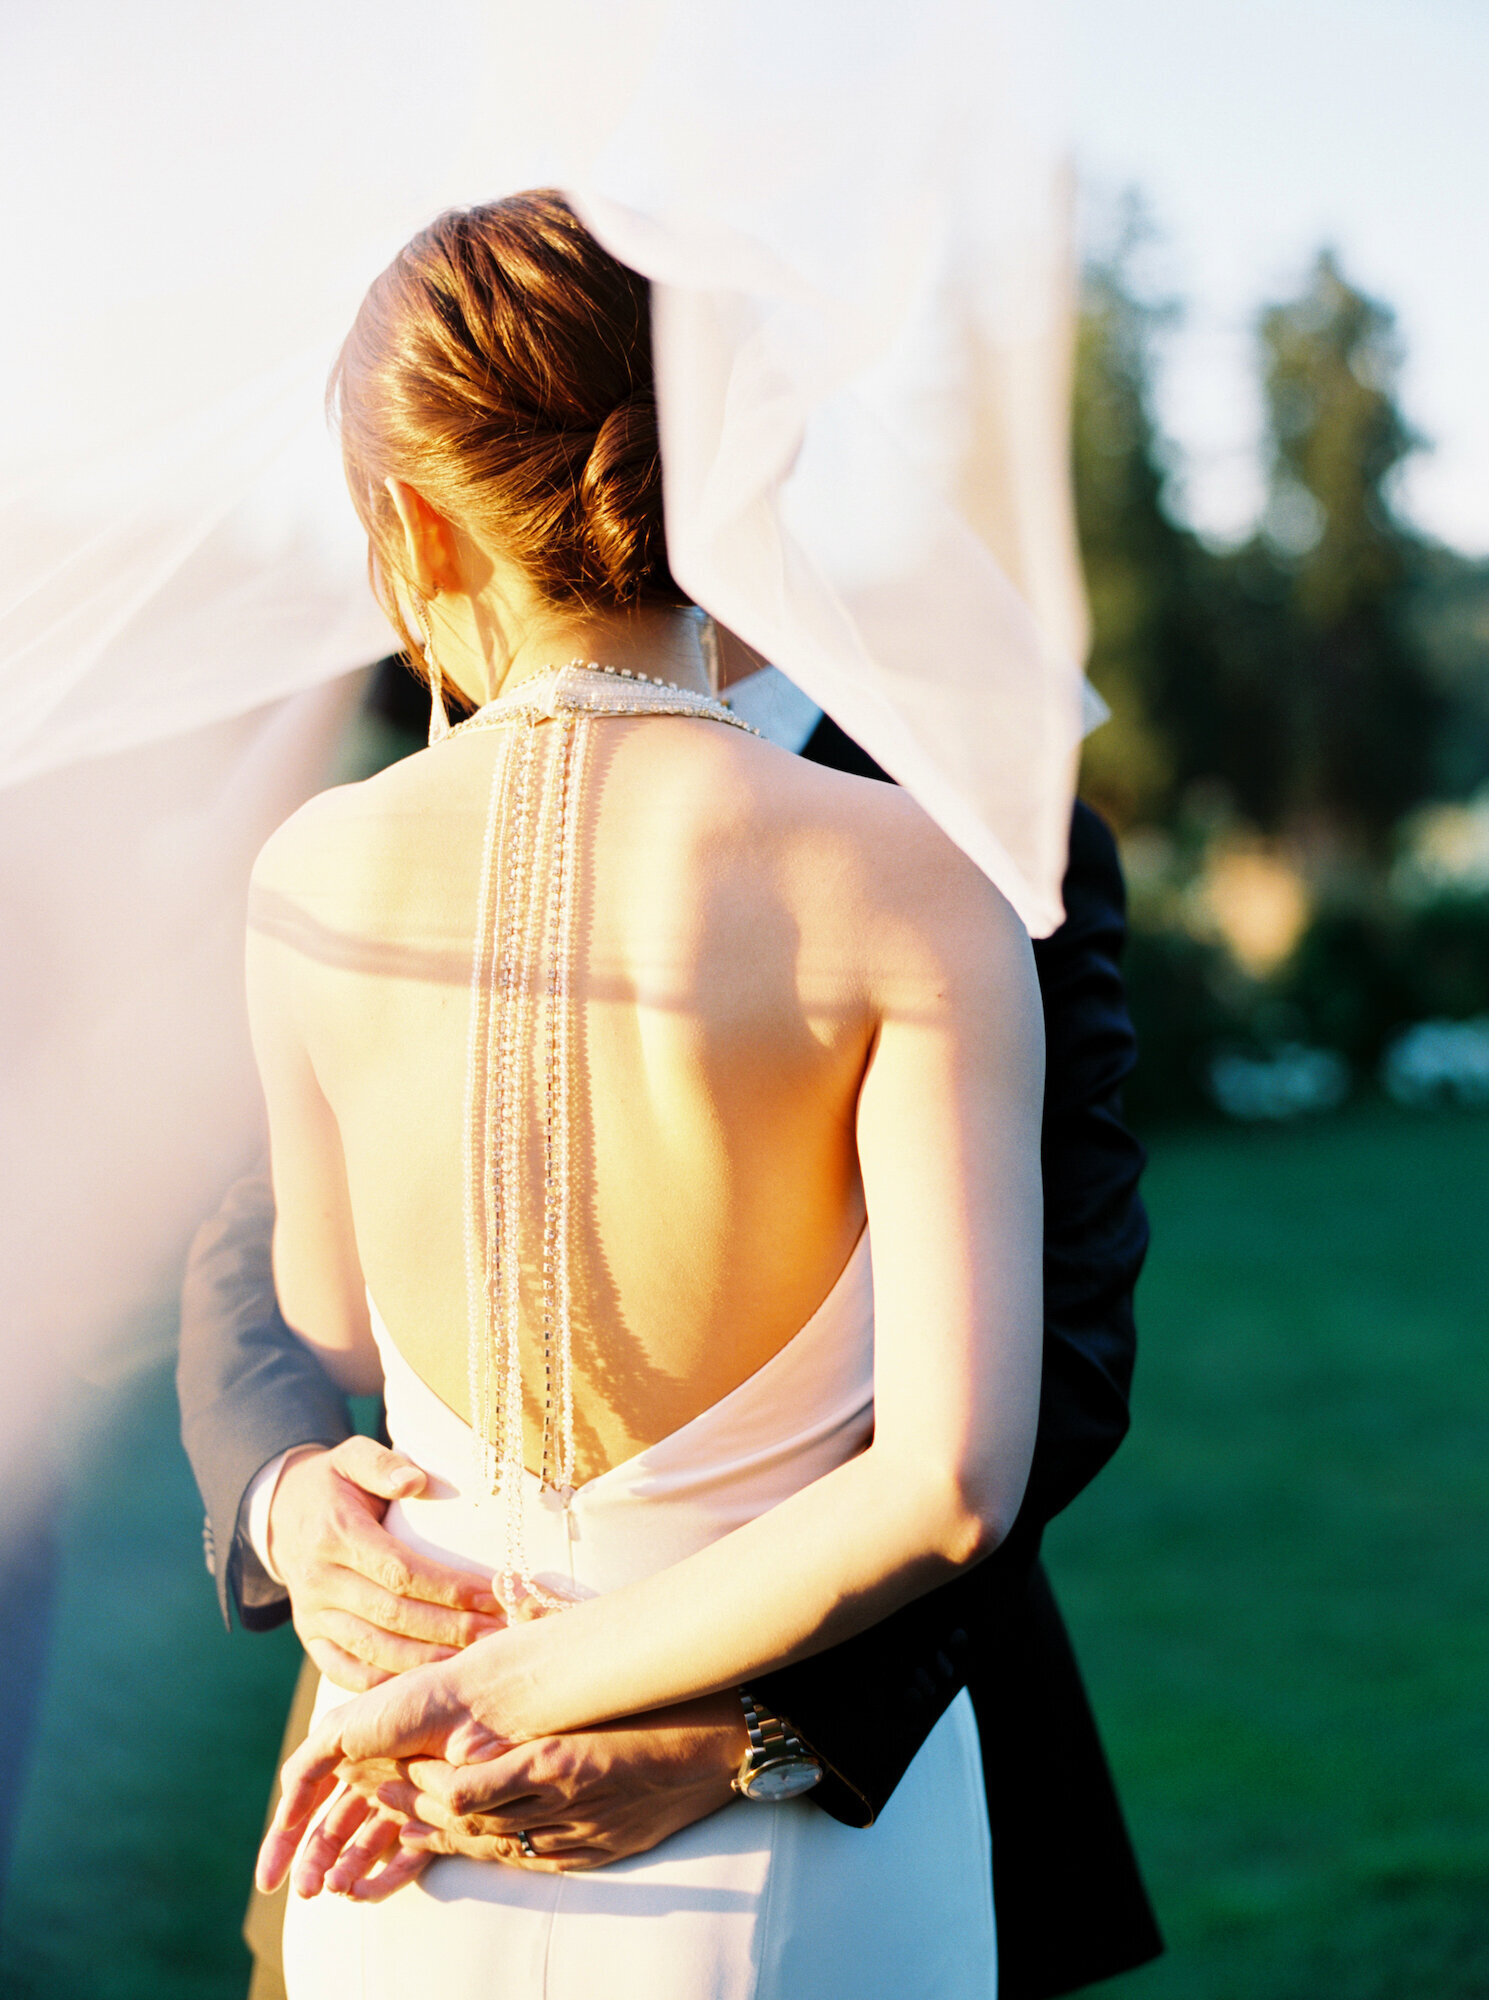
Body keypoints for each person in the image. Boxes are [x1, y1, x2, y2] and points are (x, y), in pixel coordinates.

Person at [187, 190, 1158, 1998]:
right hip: (793, 1880)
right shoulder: (923, 872)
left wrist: (473, 1674)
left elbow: (323, 1305)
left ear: (414, 518)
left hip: (421, 1788)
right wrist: (287, 1509)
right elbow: (950, 1482)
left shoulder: (313, 874)